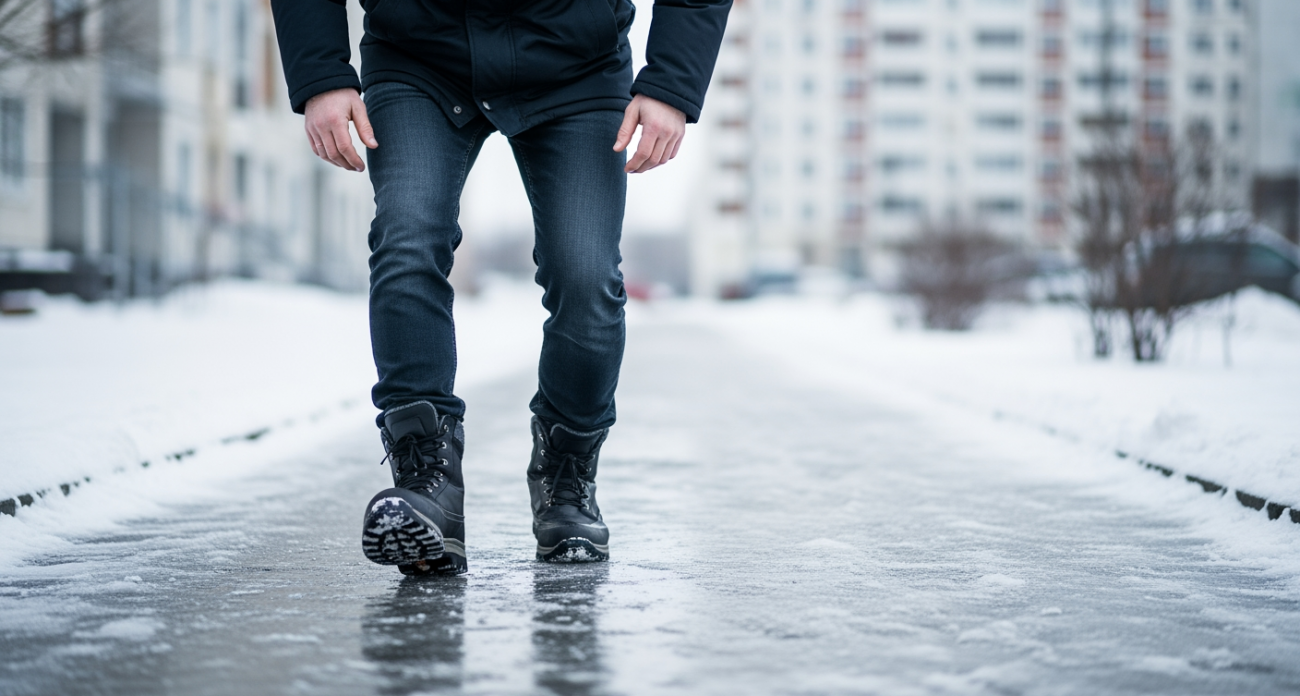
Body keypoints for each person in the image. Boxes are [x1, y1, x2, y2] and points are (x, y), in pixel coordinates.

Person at [270, 0, 731, 574]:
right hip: (418, 51)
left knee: (586, 278)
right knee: (407, 242)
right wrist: (320, 73)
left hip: (575, 63)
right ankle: (427, 482)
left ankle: (566, 480)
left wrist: (670, 83)